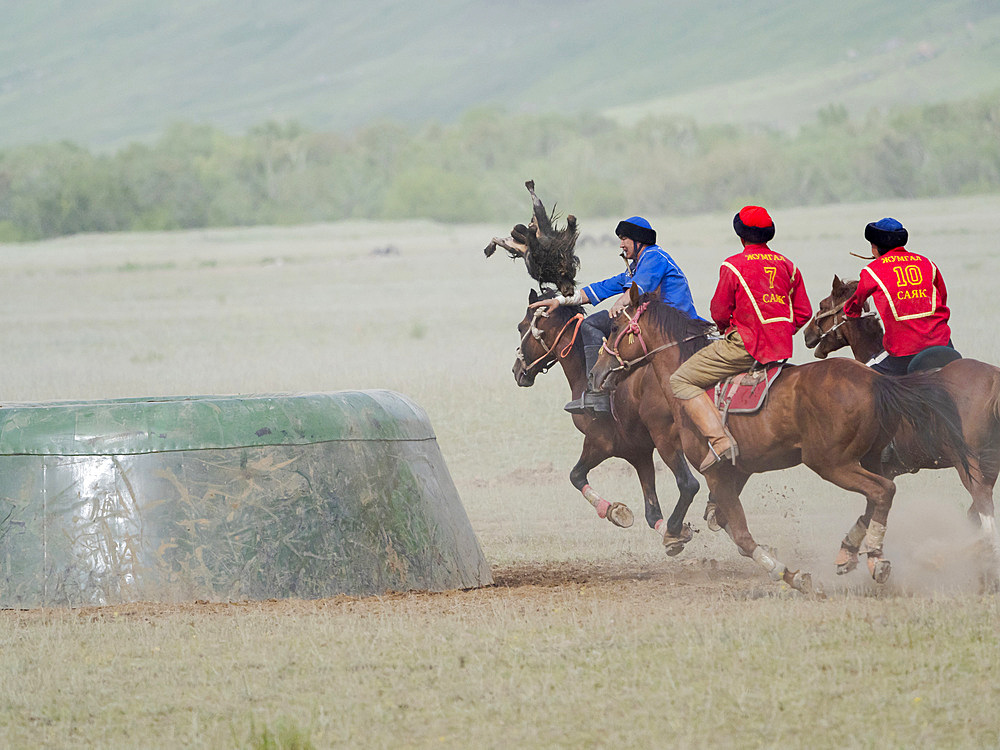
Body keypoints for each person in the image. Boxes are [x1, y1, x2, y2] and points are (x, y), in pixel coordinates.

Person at [669, 206, 812, 471]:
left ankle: (720, 440)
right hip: (780, 349)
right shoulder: (788, 266)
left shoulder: (732, 265)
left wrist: (728, 330)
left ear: (741, 236)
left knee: (681, 379)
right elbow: (804, 312)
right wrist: (778, 333)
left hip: (744, 346)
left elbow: (719, 311)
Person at [530, 216, 700, 415]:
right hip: (655, 325)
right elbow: (601, 288)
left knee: (591, 325)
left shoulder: (654, 256)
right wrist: (560, 301)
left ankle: (596, 390)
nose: (621, 245)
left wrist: (621, 302)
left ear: (639, 240)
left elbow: (638, 287)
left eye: (625, 239)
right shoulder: (637, 265)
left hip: (673, 327)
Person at [843, 217, 957, 375]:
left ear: (875, 247)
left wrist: (851, 312)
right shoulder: (927, 263)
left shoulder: (871, 271)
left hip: (904, 352)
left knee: (868, 377)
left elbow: (854, 305)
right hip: (943, 344)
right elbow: (942, 297)